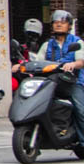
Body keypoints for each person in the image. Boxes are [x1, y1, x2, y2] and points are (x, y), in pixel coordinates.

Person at [36, 9, 84, 148]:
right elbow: (37, 61)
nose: (58, 25)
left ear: (69, 25)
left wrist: (73, 64)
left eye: (62, 22)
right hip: (52, 82)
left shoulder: (77, 42)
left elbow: (81, 61)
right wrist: (22, 65)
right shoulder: (47, 45)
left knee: (81, 110)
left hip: (73, 82)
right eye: (55, 22)